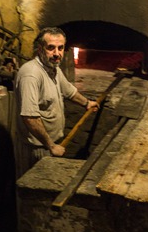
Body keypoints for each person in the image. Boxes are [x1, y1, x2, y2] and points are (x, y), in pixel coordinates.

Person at [14, 26, 99, 178]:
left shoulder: (53, 68)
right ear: (40, 49)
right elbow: (29, 117)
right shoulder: (31, 75)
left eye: (60, 48)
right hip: (37, 147)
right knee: (35, 188)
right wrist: (51, 145)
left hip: (51, 144)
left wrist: (87, 103)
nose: (56, 53)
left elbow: (69, 91)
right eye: (51, 48)